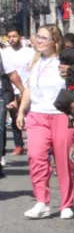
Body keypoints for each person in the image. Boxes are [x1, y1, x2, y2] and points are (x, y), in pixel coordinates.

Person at [15, 24, 74, 219]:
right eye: (38, 37)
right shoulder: (35, 62)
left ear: (55, 42)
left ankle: (67, 203)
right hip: (37, 115)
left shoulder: (63, 62)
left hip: (61, 115)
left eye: (44, 38)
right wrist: (21, 111)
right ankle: (41, 202)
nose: (39, 41)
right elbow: (28, 89)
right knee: (36, 157)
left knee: (63, 160)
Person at [2, 28, 34, 157]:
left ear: (20, 37)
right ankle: (19, 145)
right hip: (11, 90)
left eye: (14, 36)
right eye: (9, 37)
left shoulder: (29, 52)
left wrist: (26, 88)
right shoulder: (5, 53)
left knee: (30, 117)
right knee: (15, 118)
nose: (11, 39)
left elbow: (32, 69)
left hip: (27, 88)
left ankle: (33, 142)